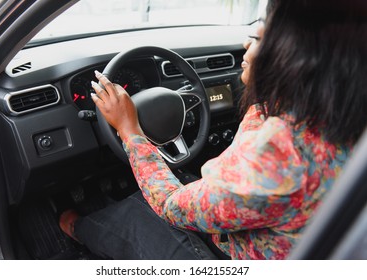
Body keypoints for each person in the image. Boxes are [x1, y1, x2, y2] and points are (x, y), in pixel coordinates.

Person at [59, 0, 367, 259]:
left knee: (137, 220)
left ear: (300, 59)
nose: (248, 43)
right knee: (170, 182)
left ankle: (75, 229)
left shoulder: (278, 152)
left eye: (260, 39)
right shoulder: (340, 117)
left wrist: (130, 129)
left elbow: (170, 205)